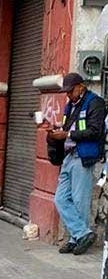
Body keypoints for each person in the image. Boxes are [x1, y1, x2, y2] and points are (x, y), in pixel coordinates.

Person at [45, 72, 106, 255]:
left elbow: (95, 131)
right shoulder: (70, 106)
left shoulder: (95, 103)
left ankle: (76, 238)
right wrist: (57, 132)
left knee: (80, 200)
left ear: (81, 86)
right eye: (66, 92)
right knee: (61, 198)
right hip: (68, 156)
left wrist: (68, 135)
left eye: (70, 91)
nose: (68, 95)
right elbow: (67, 128)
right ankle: (82, 234)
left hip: (83, 156)